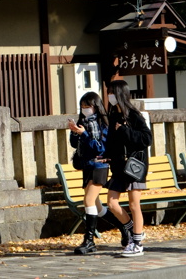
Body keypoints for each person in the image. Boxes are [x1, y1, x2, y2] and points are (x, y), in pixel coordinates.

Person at [104, 79, 153, 257]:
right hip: (119, 167)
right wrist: (106, 155)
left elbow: (146, 139)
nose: (109, 96)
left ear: (120, 94)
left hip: (134, 167)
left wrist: (125, 130)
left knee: (134, 205)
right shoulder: (113, 116)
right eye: (108, 92)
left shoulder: (133, 115)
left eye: (112, 92)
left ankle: (137, 243)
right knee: (112, 203)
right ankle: (133, 230)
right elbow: (112, 142)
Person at [67, 91, 110, 254]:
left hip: (100, 166)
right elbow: (74, 144)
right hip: (87, 166)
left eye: (88, 106)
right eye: (82, 106)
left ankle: (89, 241)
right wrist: (74, 132)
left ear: (96, 106)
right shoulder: (82, 122)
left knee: (89, 200)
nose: (85, 109)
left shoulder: (102, 124)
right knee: (97, 206)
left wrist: (84, 134)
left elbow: (100, 148)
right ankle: (125, 227)